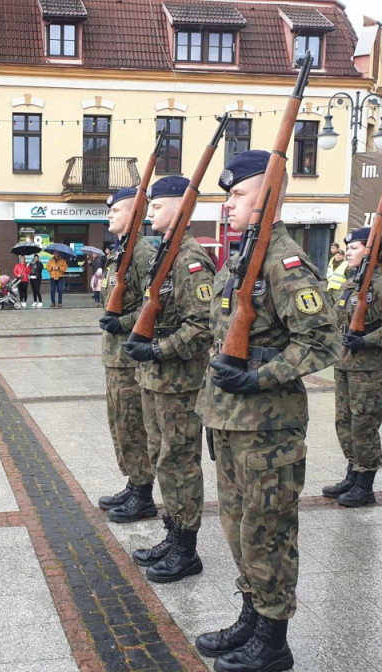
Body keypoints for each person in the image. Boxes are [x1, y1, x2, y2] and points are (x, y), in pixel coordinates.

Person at [195, 150, 339, 672]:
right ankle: (251, 617)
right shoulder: (241, 258)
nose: (228, 202)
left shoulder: (284, 261)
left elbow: (323, 341)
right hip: (231, 422)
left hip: (268, 429)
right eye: (228, 194)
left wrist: (260, 376)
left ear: (268, 197)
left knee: (268, 532)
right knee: (238, 530)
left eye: (238, 193)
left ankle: (274, 640)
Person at [121, 175, 215, 584]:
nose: (151, 212)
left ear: (180, 208)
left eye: (158, 206)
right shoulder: (165, 254)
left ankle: (187, 547)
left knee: (180, 462)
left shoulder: (191, 259)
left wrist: (158, 349)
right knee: (163, 459)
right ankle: (173, 533)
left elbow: (203, 325)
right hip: (155, 378)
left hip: (179, 380)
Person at [322, 227, 382, 507]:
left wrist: (366, 339)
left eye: (355, 247)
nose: (348, 251)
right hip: (345, 365)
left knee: (364, 425)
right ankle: (352, 472)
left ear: (370, 252)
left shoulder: (380, 286)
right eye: (348, 247)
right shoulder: (349, 283)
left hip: (368, 370)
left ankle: (365, 483)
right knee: (344, 423)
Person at [95, 187, 156, 524]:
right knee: (119, 424)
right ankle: (134, 482)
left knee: (133, 425)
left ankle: (143, 493)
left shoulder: (143, 253)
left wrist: (124, 323)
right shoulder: (120, 253)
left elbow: (155, 305)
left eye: (115, 211)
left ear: (134, 214)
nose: (109, 216)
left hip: (130, 358)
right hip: (114, 358)